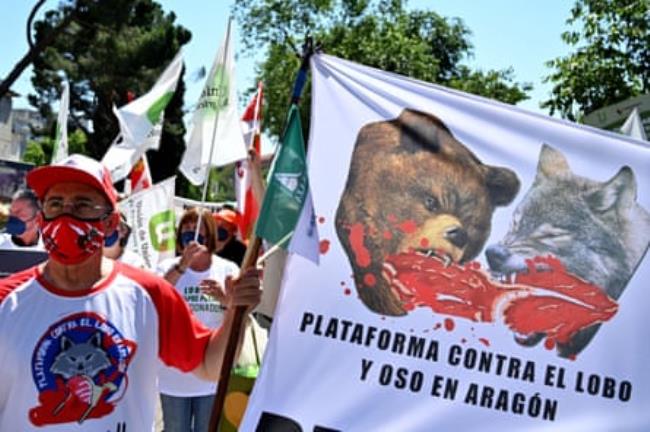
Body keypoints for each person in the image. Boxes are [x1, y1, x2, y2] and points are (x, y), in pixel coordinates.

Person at [0, 154, 261, 431]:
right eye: (55, 204)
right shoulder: (7, 300)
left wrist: (237, 312)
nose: (66, 214)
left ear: (111, 223)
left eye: (82, 204)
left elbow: (209, 365)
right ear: (41, 219)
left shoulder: (150, 294)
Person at [156, 207, 239, 432]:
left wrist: (223, 299)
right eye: (186, 227)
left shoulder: (227, 268)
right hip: (174, 374)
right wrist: (182, 266)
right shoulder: (167, 267)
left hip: (212, 371)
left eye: (198, 227)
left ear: (209, 233)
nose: (191, 232)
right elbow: (155, 298)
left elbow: (239, 314)